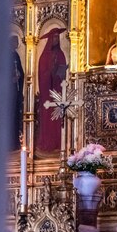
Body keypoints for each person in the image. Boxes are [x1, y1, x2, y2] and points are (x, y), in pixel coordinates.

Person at [36, 27, 68, 155]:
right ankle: (48, 143)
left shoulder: (60, 54)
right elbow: (42, 75)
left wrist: (60, 72)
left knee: (58, 117)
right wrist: (50, 72)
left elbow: (63, 74)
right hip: (48, 94)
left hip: (58, 90)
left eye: (57, 38)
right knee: (49, 116)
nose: (56, 40)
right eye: (54, 37)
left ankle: (58, 143)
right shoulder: (45, 56)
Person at [11, 36, 24, 150]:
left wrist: (20, 76)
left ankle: (15, 143)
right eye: (15, 42)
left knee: (16, 117)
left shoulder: (16, 55)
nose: (16, 43)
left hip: (16, 90)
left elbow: (21, 72)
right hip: (9, 93)